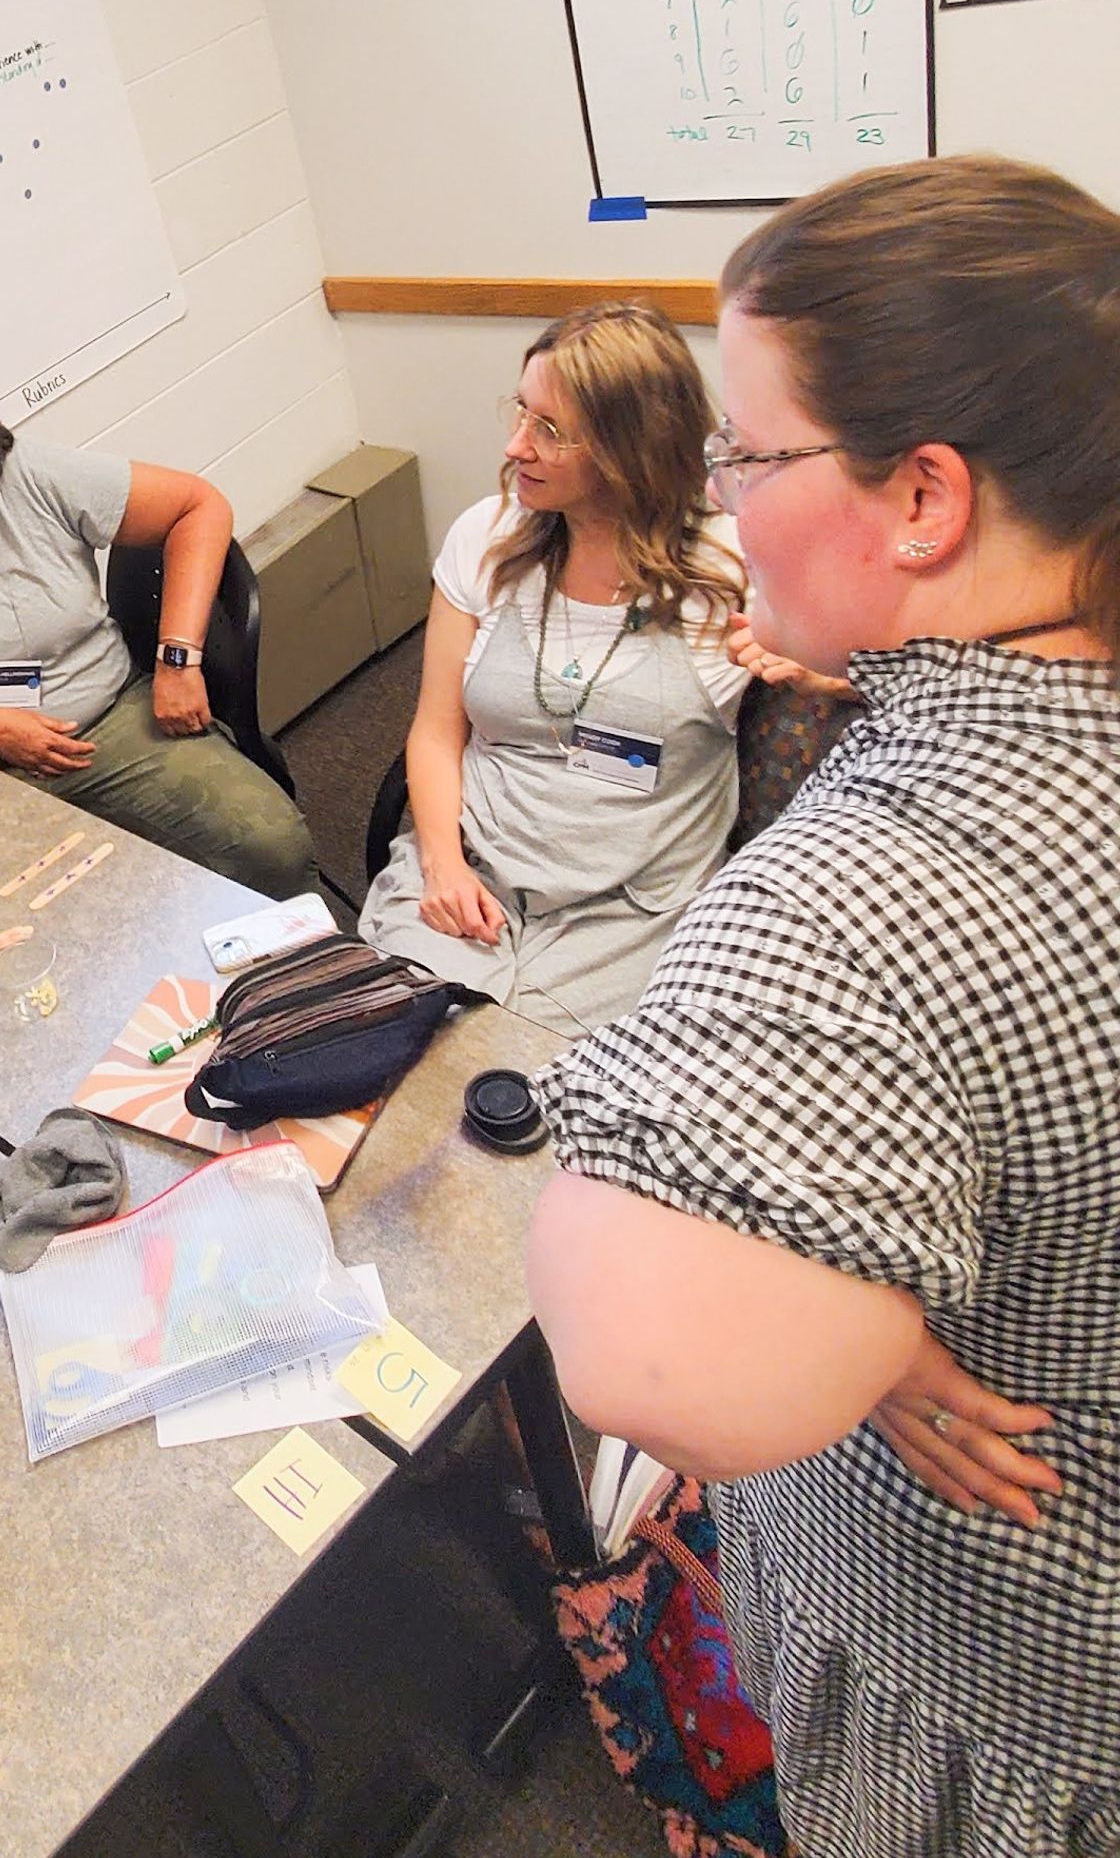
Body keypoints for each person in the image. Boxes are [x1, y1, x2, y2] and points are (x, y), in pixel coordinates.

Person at [525, 156, 1120, 1856]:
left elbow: (654, 1358)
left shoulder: (871, 899)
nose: (719, 502)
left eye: (749, 453)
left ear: (924, 500)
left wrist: (855, 1339)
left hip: (1027, 1656)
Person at [357, 303, 753, 1035]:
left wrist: (818, 670)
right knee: (383, 1055)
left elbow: (880, 691)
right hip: (474, 869)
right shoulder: (488, 535)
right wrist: (443, 863)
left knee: (543, 1106)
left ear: (631, 449)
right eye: (520, 412)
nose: (515, 446)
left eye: (549, 430)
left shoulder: (732, 569)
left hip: (632, 909)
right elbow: (436, 732)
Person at [0, 359, 318, 901]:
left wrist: (177, 659)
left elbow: (199, 506)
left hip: (107, 718)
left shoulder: (32, 475)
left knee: (274, 848)